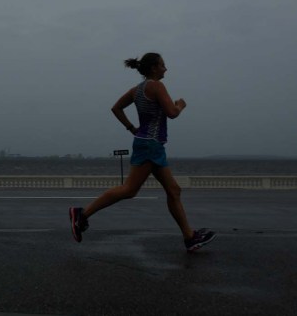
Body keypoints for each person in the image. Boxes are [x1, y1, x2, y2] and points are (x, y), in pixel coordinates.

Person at [69, 53, 216, 252]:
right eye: (163, 65)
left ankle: (190, 237)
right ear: (154, 68)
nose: (166, 69)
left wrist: (132, 128)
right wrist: (180, 105)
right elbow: (172, 113)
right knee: (129, 189)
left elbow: (116, 108)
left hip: (149, 144)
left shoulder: (136, 90)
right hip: (150, 146)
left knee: (173, 190)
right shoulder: (156, 86)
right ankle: (82, 214)